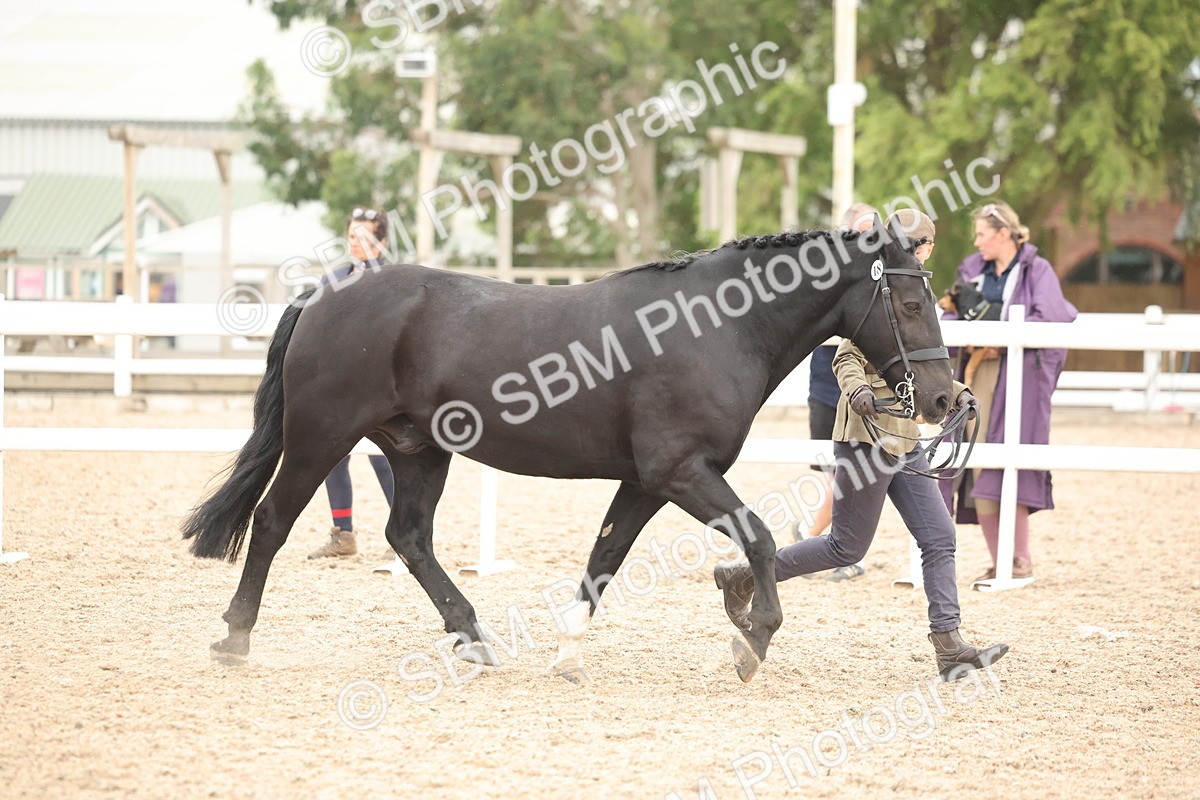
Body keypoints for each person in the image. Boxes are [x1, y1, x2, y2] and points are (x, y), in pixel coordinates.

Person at [715, 210, 1010, 680]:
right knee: (845, 548)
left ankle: (949, 644)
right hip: (865, 437)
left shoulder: (917, 293)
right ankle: (746, 574)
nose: (914, 252)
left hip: (905, 439)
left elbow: (925, 365)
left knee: (939, 537)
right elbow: (848, 353)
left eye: (917, 245)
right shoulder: (879, 291)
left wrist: (956, 393)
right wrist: (856, 390)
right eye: (909, 244)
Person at [940, 201, 1077, 582]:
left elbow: (1052, 316)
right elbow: (951, 313)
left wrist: (1001, 337)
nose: (976, 241)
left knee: (1012, 457)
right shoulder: (972, 269)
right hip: (976, 371)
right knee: (978, 459)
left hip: (1019, 375)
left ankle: (1020, 558)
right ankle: (1000, 559)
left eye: (982, 234)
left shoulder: (1037, 271)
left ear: (1003, 234)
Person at [308, 207, 398, 559]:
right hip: (342, 387)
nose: (356, 244)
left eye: (364, 237)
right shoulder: (333, 279)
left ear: (382, 241)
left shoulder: (393, 283)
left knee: (384, 458)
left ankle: (401, 533)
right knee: (334, 456)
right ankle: (343, 534)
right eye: (351, 237)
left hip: (381, 388)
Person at [794, 203, 877, 584]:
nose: (868, 237)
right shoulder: (826, 271)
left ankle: (820, 541)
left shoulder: (879, 270)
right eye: (861, 230)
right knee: (838, 470)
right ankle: (817, 541)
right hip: (827, 383)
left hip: (861, 386)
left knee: (850, 471)